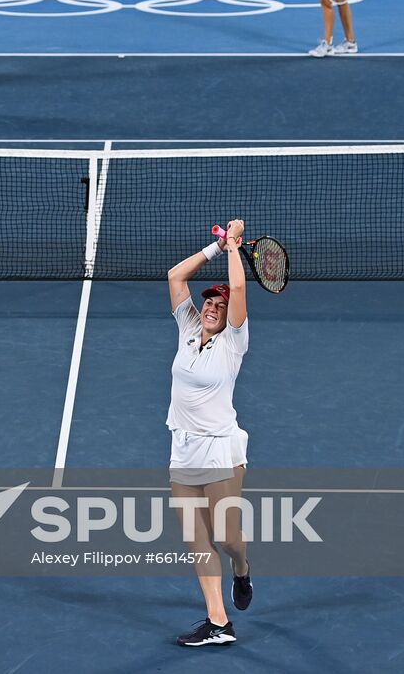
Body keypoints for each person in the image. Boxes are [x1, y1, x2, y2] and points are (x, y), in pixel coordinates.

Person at [164, 220, 253, 647]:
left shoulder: (234, 341)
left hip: (220, 450)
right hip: (183, 449)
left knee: (227, 537)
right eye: (210, 303)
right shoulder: (186, 329)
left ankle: (242, 569)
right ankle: (219, 622)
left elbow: (239, 293)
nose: (214, 307)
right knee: (196, 540)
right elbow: (175, 276)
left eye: (220, 302)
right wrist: (216, 248)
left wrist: (235, 249)